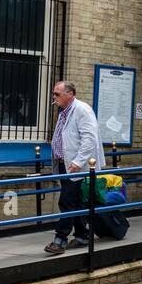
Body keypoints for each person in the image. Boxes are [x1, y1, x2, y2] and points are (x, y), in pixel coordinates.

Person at [44, 81, 106, 256]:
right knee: (76, 201)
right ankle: (83, 235)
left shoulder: (82, 110)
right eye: (54, 94)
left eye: (57, 94)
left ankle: (60, 240)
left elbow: (89, 138)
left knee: (67, 201)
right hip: (66, 164)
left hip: (77, 165)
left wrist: (78, 162)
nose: (54, 97)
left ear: (69, 94)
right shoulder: (64, 111)